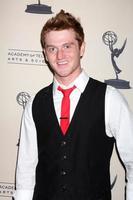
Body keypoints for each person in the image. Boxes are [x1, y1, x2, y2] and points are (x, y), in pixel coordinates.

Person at [14, 10, 133, 200]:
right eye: (52, 48)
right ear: (45, 54)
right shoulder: (34, 104)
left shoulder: (110, 99)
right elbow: (25, 171)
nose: (60, 55)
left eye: (67, 46)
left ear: (82, 48)